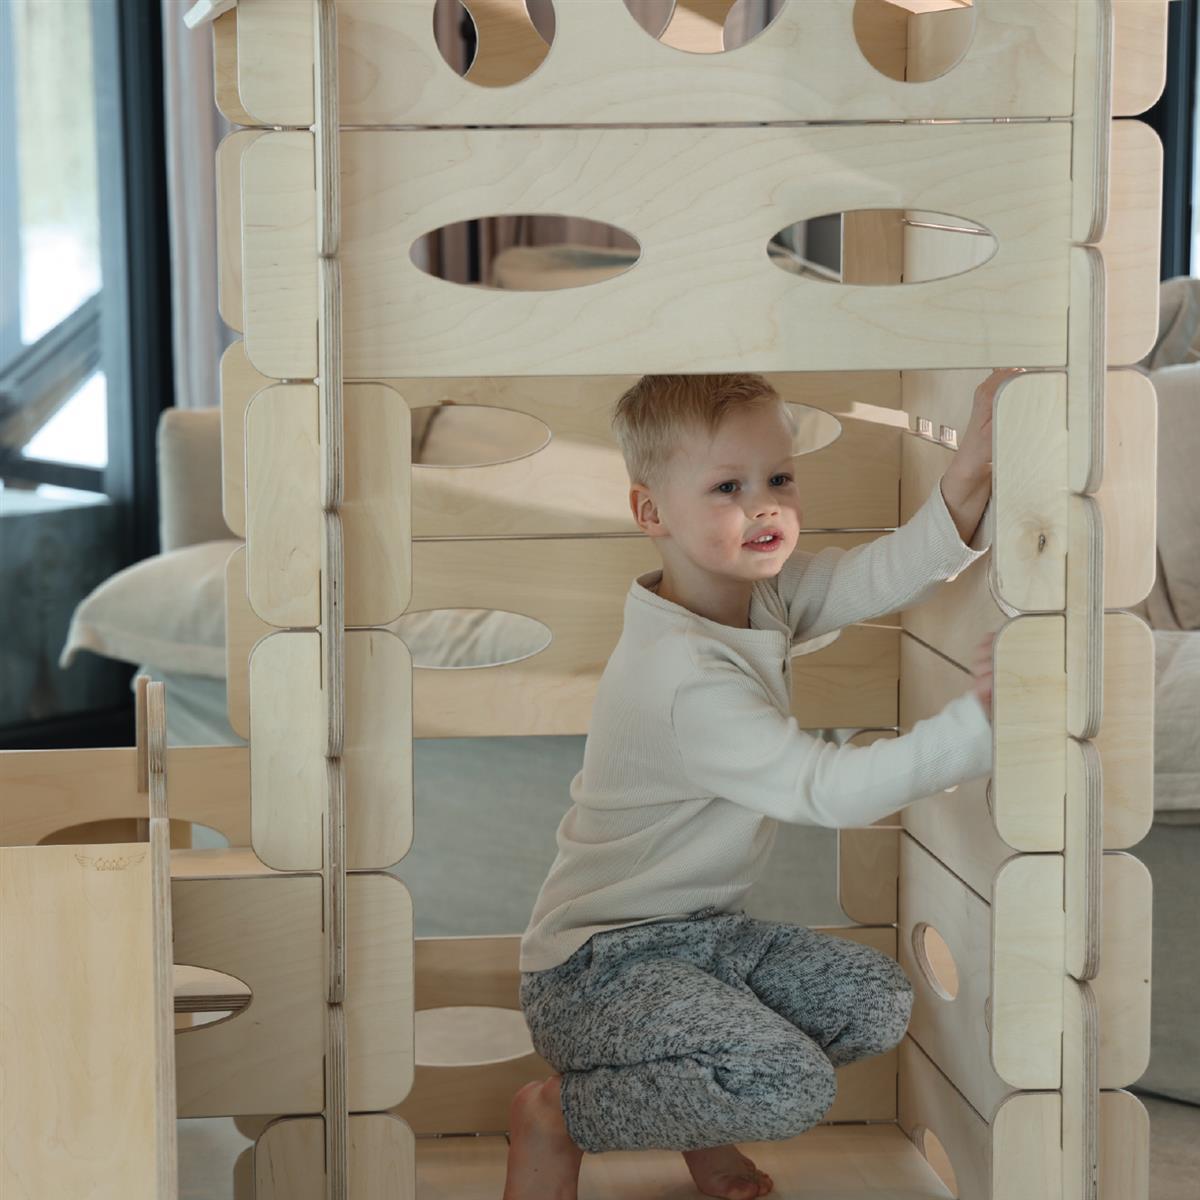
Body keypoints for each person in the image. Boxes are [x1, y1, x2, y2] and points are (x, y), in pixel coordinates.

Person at [502, 370, 1019, 1200]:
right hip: (598, 974)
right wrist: (978, 725)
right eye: (727, 488)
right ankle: (560, 1118)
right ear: (651, 513)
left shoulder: (758, 597)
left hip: (705, 942)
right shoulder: (684, 679)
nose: (765, 506)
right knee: (789, 1083)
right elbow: (830, 792)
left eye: (778, 478)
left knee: (871, 1002)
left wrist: (967, 477)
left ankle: (702, 1132)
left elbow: (879, 576)